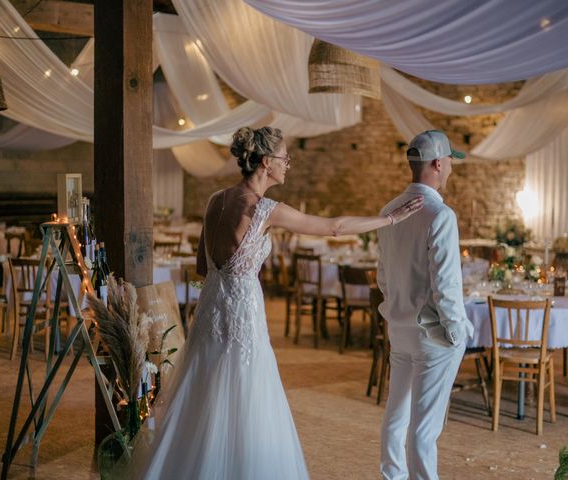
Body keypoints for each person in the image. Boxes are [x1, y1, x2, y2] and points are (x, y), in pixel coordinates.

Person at [126, 126, 423, 479]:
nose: (288, 165)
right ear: (266, 163)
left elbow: (202, 267)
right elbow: (335, 228)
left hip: (210, 312)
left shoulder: (215, 200)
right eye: (285, 158)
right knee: (247, 398)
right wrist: (390, 219)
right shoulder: (266, 210)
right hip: (243, 315)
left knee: (203, 395)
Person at [377, 130, 474, 480]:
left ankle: (392, 476)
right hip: (432, 337)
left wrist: (394, 311)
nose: (450, 168)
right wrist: (457, 332)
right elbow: (446, 286)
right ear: (436, 162)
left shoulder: (389, 211)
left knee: (397, 414)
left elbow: (383, 278)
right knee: (424, 428)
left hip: (399, 331)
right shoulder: (440, 214)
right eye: (449, 161)